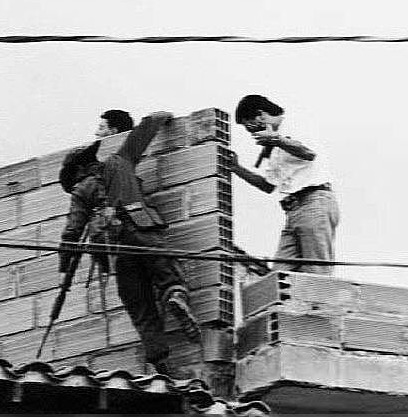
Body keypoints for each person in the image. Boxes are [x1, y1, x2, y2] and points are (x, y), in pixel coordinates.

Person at [58, 111, 201, 376]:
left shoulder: (80, 191)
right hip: (143, 230)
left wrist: (64, 265)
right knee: (167, 275)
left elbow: (71, 233)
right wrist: (163, 116)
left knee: (140, 305)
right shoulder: (119, 161)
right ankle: (175, 296)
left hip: (114, 250)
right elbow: (145, 129)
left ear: (77, 171)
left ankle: (160, 363)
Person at [226, 94, 339, 275]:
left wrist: (277, 139)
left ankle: (320, 303)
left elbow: (309, 153)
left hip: (314, 202)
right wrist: (236, 168)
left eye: (250, 127)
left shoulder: (294, 124)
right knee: (279, 276)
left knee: (316, 272)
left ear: (261, 115)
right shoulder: (274, 147)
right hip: (293, 211)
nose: (252, 133)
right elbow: (268, 185)